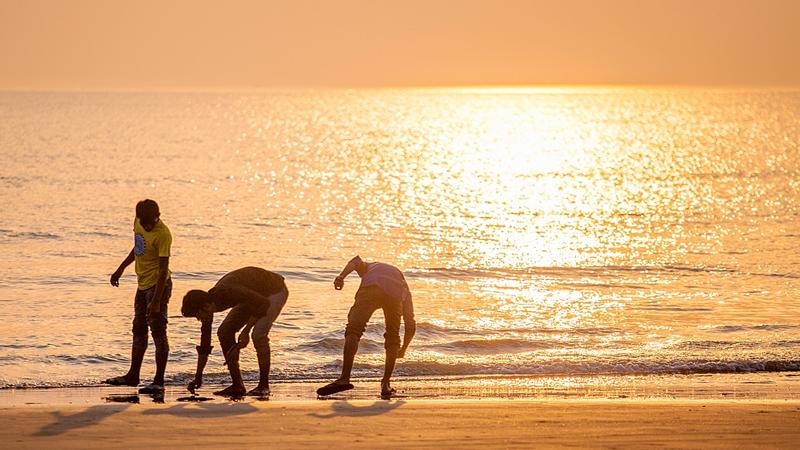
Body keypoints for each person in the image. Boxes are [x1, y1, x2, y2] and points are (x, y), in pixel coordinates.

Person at [181, 267, 288, 397]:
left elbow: (263, 303)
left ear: (205, 305)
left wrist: (246, 331)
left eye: (198, 315)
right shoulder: (208, 308)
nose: (199, 319)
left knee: (258, 335)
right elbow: (205, 345)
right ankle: (237, 385)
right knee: (224, 332)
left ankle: (263, 386)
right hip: (252, 296)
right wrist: (198, 377)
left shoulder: (228, 292)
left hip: (274, 290)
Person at [317, 256, 416, 397]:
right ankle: (385, 384)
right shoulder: (405, 288)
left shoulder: (370, 266)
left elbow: (355, 261)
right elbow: (410, 324)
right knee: (393, 337)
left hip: (371, 287)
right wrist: (403, 349)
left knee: (353, 330)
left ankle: (344, 378)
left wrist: (341, 276)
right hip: (395, 294)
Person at [105, 199, 172, 394]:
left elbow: (163, 270)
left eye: (149, 223)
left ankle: (158, 381)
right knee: (138, 329)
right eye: (143, 222)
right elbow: (138, 247)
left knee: (158, 331)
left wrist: (157, 301)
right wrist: (120, 269)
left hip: (158, 286)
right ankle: (133, 375)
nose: (146, 226)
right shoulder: (138, 221)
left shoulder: (163, 234)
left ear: (157, 217)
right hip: (142, 285)